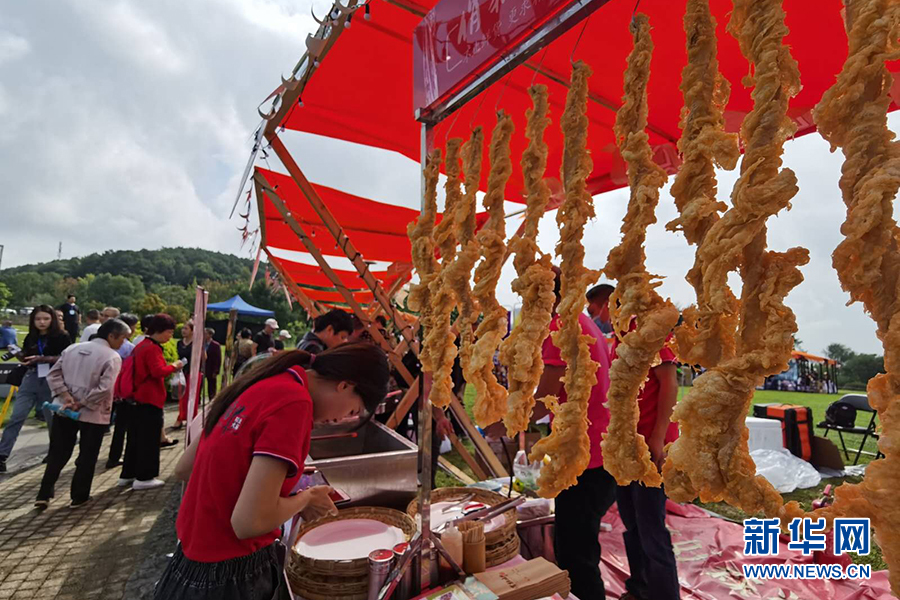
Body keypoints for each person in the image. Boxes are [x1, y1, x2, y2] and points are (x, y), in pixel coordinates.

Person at [155, 343, 390, 599]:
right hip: (230, 575)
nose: (340, 419)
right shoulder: (294, 403)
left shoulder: (266, 380)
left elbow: (185, 467)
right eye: (352, 410)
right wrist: (306, 499)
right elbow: (250, 522)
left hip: (188, 564)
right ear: (345, 385)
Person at [533, 268, 614, 600]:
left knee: (575, 556)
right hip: (596, 451)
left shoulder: (561, 326)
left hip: (584, 458)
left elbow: (544, 398)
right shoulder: (582, 321)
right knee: (579, 546)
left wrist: (506, 423)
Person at [611, 315, 681, 600]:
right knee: (631, 522)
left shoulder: (651, 328)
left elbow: (669, 383)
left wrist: (659, 436)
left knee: (651, 526)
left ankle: (665, 595)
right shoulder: (619, 333)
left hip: (652, 445)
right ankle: (639, 588)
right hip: (626, 445)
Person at [36, 319, 130, 509]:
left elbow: (54, 374)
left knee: (58, 452)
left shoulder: (72, 349)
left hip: (64, 408)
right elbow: (105, 388)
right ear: (111, 336)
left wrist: (65, 395)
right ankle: (79, 496)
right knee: (88, 454)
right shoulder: (112, 356)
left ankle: (44, 493)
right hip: (92, 412)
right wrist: (82, 403)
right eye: (122, 338)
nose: (123, 343)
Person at [0, 306, 71, 473]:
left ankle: (55, 451)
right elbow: (26, 354)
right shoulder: (32, 336)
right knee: (17, 416)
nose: (42, 322)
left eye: (46, 319)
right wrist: (20, 355)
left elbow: (67, 358)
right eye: (38, 319)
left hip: (52, 379)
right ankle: (2, 455)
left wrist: (44, 358)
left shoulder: (62, 336)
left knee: (52, 419)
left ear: (52, 319)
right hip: (31, 377)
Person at [119, 313, 185, 491]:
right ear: (160, 331)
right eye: (169, 332)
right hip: (149, 399)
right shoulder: (152, 348)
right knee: (148, 440)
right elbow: (157, 372)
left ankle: (128, 474)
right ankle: (145, 476)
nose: (170, 336)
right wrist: (174, 366)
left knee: (134, 439)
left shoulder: (141, 346)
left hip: (137, 399)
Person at [106, 313, 140, 469]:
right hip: (121, 392)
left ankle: (85, 457)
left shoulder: (105, 343)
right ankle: (114, 456)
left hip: (106, 391)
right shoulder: (128, 347)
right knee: (121, 426)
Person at [174, 321, 197, 429]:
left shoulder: (196, 343)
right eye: (183, 328)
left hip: (193, 373)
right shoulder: (179, 343)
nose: (183, 330)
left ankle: (191, 419)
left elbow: (203, 357)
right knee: (181, 396)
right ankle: (180, 417)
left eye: (186, 328)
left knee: (191, 397)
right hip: (181, 373)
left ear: (192, 331)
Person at [204, 328, 222, 399]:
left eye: (206, 333)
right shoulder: (201, 343)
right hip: (202, 368)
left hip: (211, 368)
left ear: (210, 335)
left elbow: (218, 359)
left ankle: (212, 399)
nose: (204, 335)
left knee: (211, 386)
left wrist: (216, 371)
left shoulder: (215, 345)